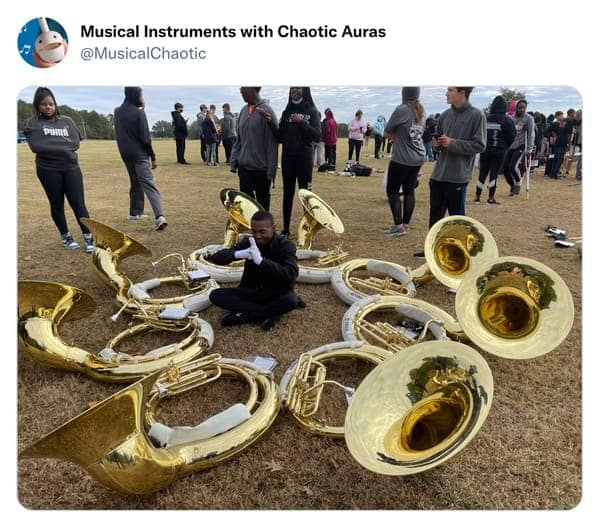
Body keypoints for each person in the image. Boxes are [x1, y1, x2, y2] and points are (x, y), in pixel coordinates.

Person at [414, 86, 486, 259]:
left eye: (451, 90)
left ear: (462, 93)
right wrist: (437, 145)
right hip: (438, 174)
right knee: (435, 216)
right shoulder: (445, 115)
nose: (446, 93)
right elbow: (439, 144)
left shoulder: (477, 115)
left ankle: (459, 255)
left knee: (457, 219)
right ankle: (432, 250)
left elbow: (480, 145)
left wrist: (452, 143)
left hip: (458, 176)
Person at [23, 86, 94, 252]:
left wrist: (54, 146)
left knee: (78, 203)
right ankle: (66, 236)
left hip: (71, 167)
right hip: (47, 169)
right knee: (57, 204)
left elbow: (75, 142)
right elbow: (37, 146)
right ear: (37, 106)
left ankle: (89, 236)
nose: (48, 107)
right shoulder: (33, 124)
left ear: (55, 104)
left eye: (51, 104)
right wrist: (62, 147)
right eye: (43, 104)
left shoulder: (66, 121)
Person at [208, 210, 304, 331]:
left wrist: (261, 261)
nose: (258, 236)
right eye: (254, 231)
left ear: (273, 228)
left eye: (262, 231)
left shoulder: (286, 245)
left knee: (291, 300)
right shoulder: (249, 242)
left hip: (275, 293)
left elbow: (290, 275)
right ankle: (269, 313)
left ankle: (245, 316)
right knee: (216, 295)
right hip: (251, 291)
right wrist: (238, 254)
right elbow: (217, 258)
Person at [114, 86, 168, 231]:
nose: (143, 98)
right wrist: (153, 156)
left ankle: (135, 213)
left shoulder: (117, 111)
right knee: (148, 184)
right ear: (135, 95)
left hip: (126, 154)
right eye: (141, 95)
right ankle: (160, 216)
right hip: (139, 154)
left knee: (135, 182)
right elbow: (145, 138)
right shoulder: (138, 113)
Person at [382, 87, 426, 237]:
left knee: (392, 191)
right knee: (409, 191)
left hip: (402, 158)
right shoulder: (421, 110)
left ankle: (398, 226)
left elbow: (387, 132)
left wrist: (395, 137)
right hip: (418, 157)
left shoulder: (402, 109)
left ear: (404, 95)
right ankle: (405, 224)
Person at [278, 87, 321, 237]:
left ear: (305, 90)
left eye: (298, 87)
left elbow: (317, 136)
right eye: (292, 87)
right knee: (287, 194)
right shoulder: (286, 112)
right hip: (287, 158)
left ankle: (308, 230)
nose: (294, 90)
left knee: (306, 194)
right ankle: (285, 230)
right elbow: (279, 136)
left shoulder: (312, 112)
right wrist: (270, 122)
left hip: (304, 159)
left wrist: (302, 122)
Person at [230, 87, 279, 211]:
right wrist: (234, 161)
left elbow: (272, 143)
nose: (241, 90)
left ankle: (264, 224)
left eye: (245, 87)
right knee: (246, 206)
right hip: (244, 169)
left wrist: (271, 171)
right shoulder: (243, 111)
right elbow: (239, 140)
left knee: (262, 207)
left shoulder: (267, 110)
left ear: (254, 88)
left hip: (261, 170)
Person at [474, 95, 515, 204]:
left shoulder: (486, 118)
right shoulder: (507, 120)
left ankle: (477, 197)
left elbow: (479, 133)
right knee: (494, 174)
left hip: (485, 150)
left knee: (482, 173)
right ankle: (491, 198)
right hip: (499, 151)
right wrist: (505, 145)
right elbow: (512, 136)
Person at [503, 99, 535, 195]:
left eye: (524, 108)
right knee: (505, 168)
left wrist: (529, 148)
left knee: (513, 166)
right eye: (520, 108)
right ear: (516, 108)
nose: (522, 110)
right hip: (511, 145)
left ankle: (518, 181)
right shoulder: (511, 118)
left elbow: (531, 134)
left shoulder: (529, 119)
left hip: (521, 145)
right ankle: (512, 185)